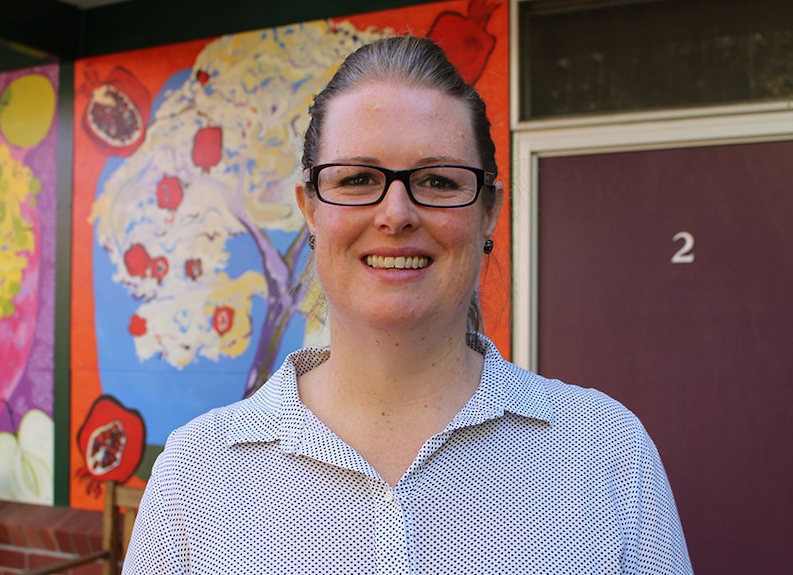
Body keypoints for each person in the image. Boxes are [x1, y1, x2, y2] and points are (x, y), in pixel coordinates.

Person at [123, 35, 693, 574]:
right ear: (310, 209)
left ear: (487, 211)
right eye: (357, 178)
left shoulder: (609, 456)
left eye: (439, 181)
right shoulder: (194, 480)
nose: (396, 214)